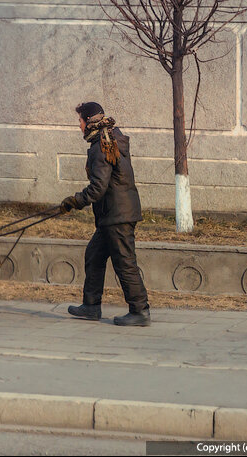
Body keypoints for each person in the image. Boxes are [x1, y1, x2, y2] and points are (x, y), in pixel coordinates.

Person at [60, 102, 151, 326]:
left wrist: (75, 201)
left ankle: (140, 311)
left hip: (117, 216)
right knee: (94, 255)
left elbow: (98, 187)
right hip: (113, 214)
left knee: (125, 263)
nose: (79, 126)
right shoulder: (108, 139)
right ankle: (91, 307)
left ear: (89, 121)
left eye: (80, 121)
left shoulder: (103, 145)